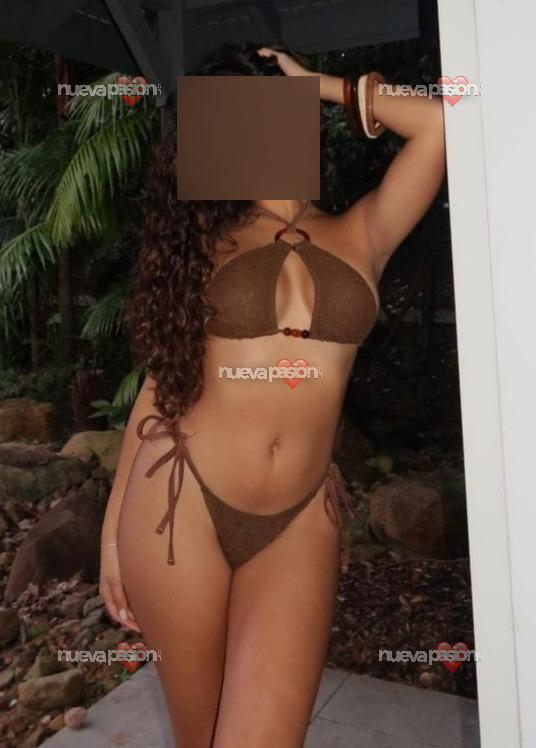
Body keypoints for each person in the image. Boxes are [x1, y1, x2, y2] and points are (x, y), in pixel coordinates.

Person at [99, 42, 445, 748]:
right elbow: (163, 388)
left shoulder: (361, 230)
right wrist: (110, 536)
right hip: (180, 505)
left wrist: (319, 86)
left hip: (299, 519)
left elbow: (443, 127)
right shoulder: (205, 242)